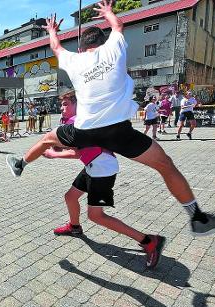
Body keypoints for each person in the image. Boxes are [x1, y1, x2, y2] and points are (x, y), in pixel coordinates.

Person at [5, 2, 215, 236]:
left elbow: (56, 48)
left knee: (46, 139)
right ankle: (197, 217)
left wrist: (53, 31)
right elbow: (118, 25)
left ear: (82, 47)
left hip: (85, 130)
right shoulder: (113, 48)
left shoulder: (73, 61)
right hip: (117, 131)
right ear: (101, 43)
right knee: (165, 165)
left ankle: (20, 164)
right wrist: (108, 13)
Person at [45, 91, 164, 268]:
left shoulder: (78, 122)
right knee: (70, 197)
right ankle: (75, 227)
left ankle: (148, 241)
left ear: (78, 105)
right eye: (62, 104)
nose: (62, 108)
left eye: (66, 104)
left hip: (102, 169)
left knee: (96, 216)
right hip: (92, 165)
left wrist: (54, 154)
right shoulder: (79, 121)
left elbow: (77, 152)